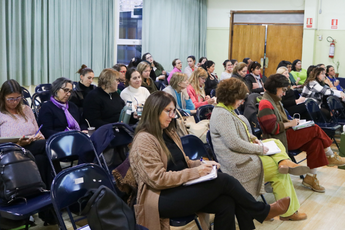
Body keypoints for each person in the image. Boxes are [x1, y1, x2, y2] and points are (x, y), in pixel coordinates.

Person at [129, 91, 290, 230]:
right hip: (159, 198)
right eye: (168, 111)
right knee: (224, 180)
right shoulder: (144, 140)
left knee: (226, 203)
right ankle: (261, 210)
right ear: (154, 111)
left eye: (173, 111)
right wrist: (195, 172)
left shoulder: (168, 131)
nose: (172, 116)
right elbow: (157, 179)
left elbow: (182, 161)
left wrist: (201, 164)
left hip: (180, 187)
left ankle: (258, 214)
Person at [210, 78, 308, 221]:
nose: (242, 101)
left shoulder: (226, 110)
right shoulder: (222, 115)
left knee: (274, 141)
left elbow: (236, 133)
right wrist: (258, 149)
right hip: (238, 163)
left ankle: (284, 162)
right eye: (240, 98)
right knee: (279, 172)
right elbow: (234, 143)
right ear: (231, 96)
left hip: (241, 156)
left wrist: (251, 138)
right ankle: (288, 211)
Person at [258, 74, 345, 193]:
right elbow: (273, 129)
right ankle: (330, 155)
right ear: (275, 88)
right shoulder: (265, 103)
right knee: (314, 128)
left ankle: (311, 177)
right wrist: (290, 124)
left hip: (284, 134)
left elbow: (282, 120)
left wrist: (292, 122)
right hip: (278, 139)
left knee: (315, 142)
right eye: (282, 90)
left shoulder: (274, 100)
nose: (284, 93)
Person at [0, 79, 51, 187]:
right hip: (8, 152)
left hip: (31, 147)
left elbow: (39, 133)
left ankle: (43, 189)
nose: (14, 102)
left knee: (41, 158)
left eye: (18, 98)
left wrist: (37, 137)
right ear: (3, 97)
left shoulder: (26, 110)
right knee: (46, 145)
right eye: (10, 99)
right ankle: (54, 186)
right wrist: (18, 144)